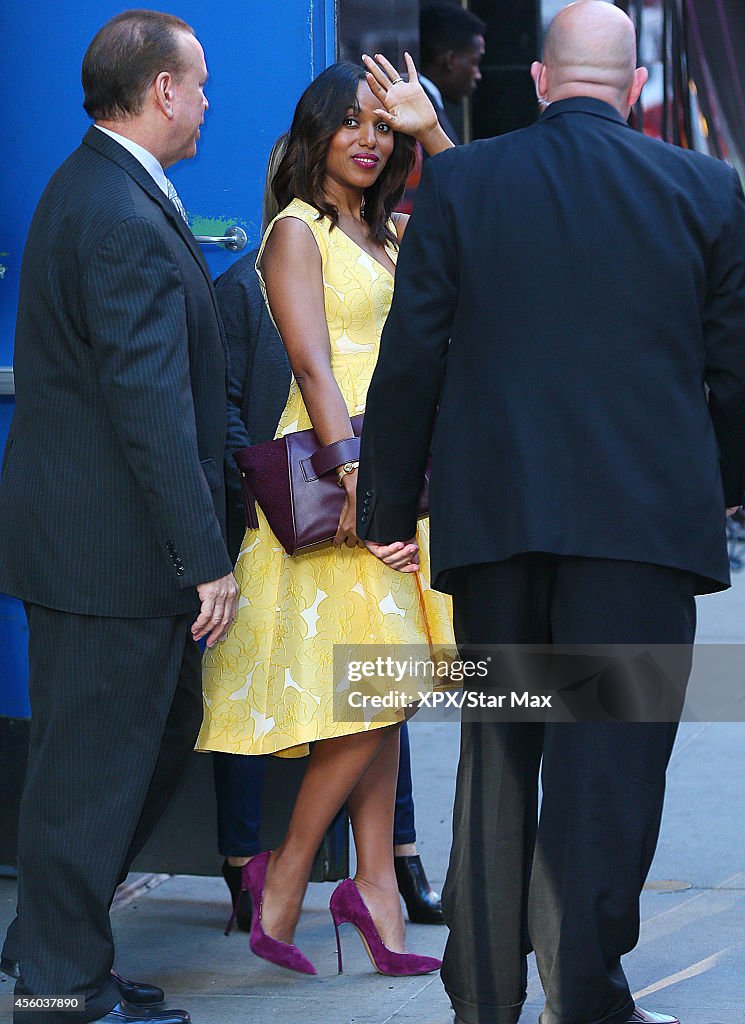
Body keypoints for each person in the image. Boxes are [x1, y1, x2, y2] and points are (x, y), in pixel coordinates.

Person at [357, 3, 745, 1024]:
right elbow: (735, 368)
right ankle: (584, 994)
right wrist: (730, 483)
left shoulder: (467, 182)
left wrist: (388, 504)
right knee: (607, 769)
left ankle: (483, 995)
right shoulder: (702, 188)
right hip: (642, 536)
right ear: (627, 89)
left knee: (500, 752)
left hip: (498, 534)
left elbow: (413, 353)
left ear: (536, 81)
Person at [0, 11, 239, 1024]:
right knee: (94, 769)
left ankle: (55, 943)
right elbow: (153, 411)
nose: (208, 100)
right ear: (158, 92)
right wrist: (206, 559)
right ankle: (58, 982)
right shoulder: (119, 213)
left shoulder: (99, 188)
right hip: (111, 555)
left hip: (98, 549)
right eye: (199, 82)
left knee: (120, 753)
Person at [198, 57, 455, 976]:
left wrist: (432, 129)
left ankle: (375, 890)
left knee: (383, 691)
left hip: (393, 475)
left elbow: (482, 224)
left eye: (382, 126)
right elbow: (312, 367)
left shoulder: (389, 231)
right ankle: (290, 873)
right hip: (337, 476)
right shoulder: (294, 231)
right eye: (351, 121)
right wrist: (355, 479)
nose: (369, 138)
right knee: (374, 688)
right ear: (316, 133)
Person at [419, 1, 486, 146]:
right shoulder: (422, 114)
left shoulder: (429, 107)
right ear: (450, 60)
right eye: (475, 62)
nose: (478, 74)